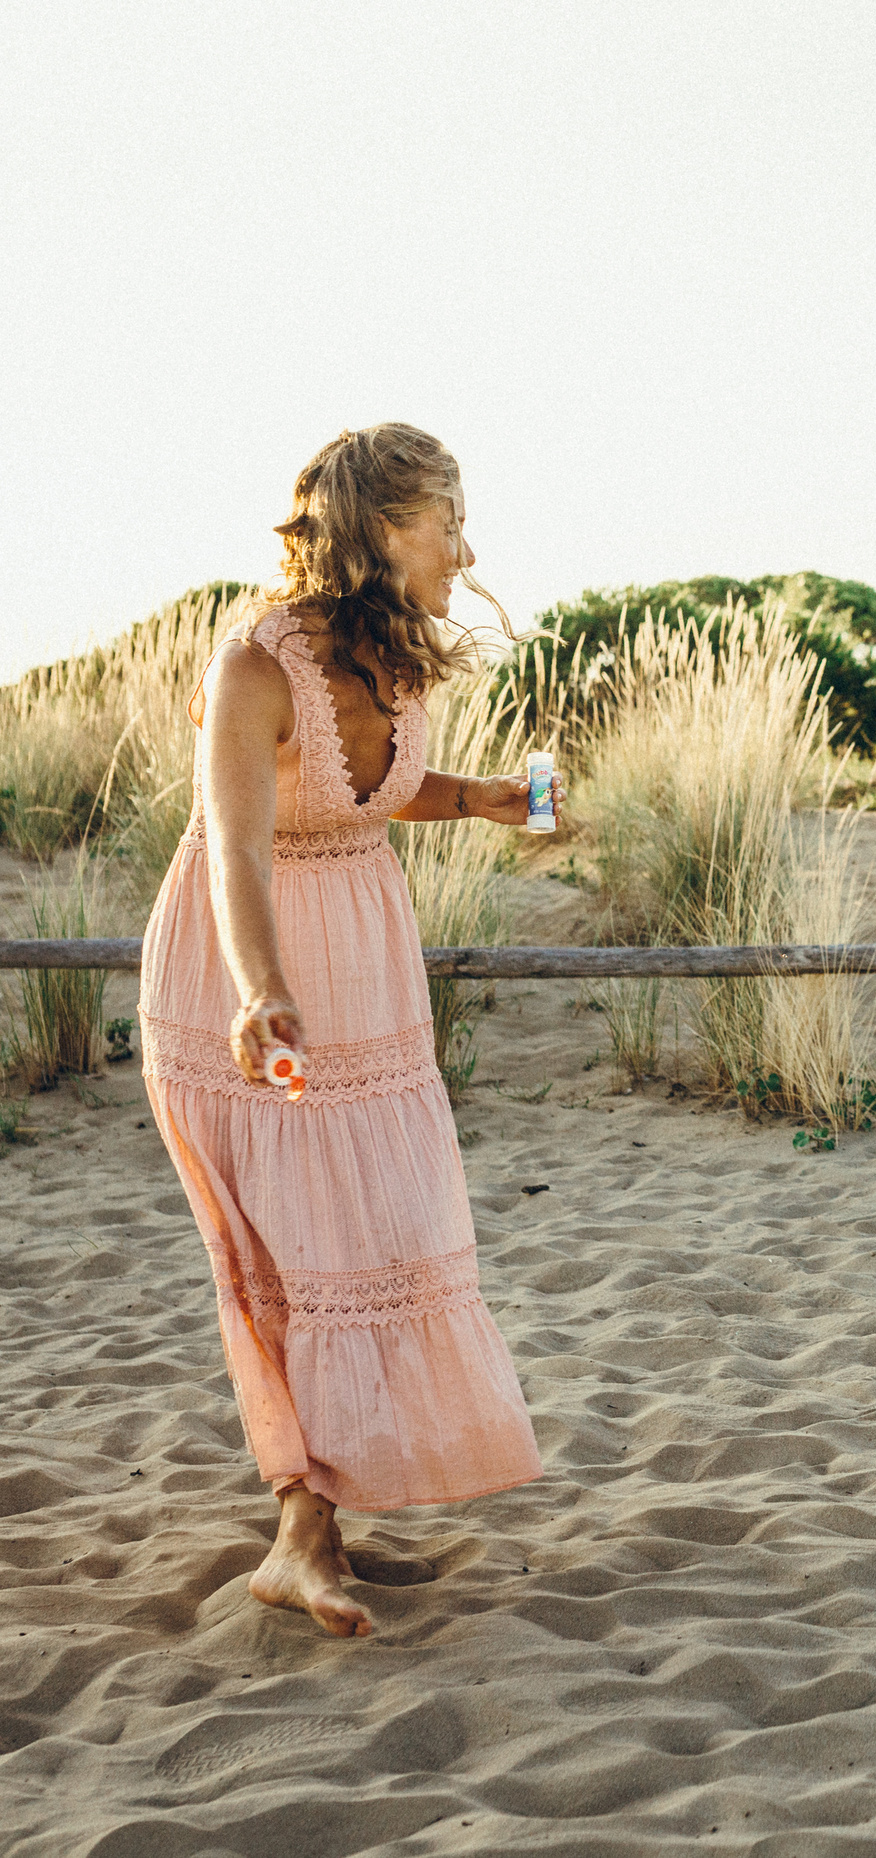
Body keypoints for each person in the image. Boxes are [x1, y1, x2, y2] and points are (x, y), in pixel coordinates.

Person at [139, 424, 547, 1637]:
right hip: (245, 970)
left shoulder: (396, 657)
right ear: (379, 531)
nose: (468, 551)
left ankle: (314, 1527)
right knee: (292, 1259)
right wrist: (259, 987)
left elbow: (366, 791)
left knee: (391, 1226)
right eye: (448, 525)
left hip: (367, 963)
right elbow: (239, 847)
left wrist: (485, 800)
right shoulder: (253, 668)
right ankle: (302, 1537)